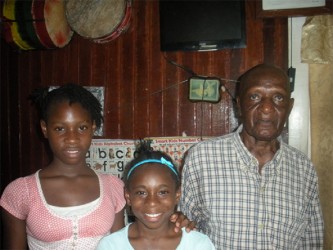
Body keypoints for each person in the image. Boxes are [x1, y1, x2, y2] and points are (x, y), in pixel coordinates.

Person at [0, 83, 193, 249]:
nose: (72, 139)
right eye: (60, 128)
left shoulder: (113, 187)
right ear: (45, 128)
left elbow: (125, 243)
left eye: (82, 127)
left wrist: (174, 222)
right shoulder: (20, 192)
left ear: (93, 127)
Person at [178, 64, 324, 249]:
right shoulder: (201, 158)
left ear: (290, 107)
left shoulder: (304, 169)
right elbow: (186, 231)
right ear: (239, 105)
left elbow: (312, 241)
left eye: (278, 97)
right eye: (255, 96)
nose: (266, 109)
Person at [96, 141, 216, 250]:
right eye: (141, 193)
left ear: (177, 195)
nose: (152, 202)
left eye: (162, 192)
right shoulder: (110, 245)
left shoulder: (198, 244)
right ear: (128, 197)